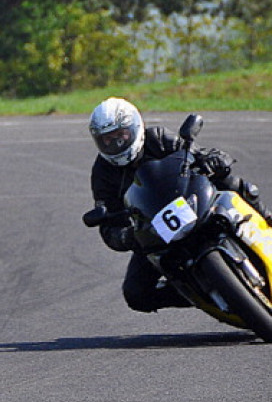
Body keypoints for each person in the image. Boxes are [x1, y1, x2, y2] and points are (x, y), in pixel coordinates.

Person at [88, 97, 270, 312]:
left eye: (121, 135)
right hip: (153, 232)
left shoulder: (157, 138)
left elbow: (195, 153)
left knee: (234, 182)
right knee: (136, 294)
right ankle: (199, 292)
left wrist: (215, 159)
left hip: (192, 200)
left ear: (136, 127)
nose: (116, 143)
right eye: (107, 140)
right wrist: (127, 236)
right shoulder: (102, 173)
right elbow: (107, 225)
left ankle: (267, 218)